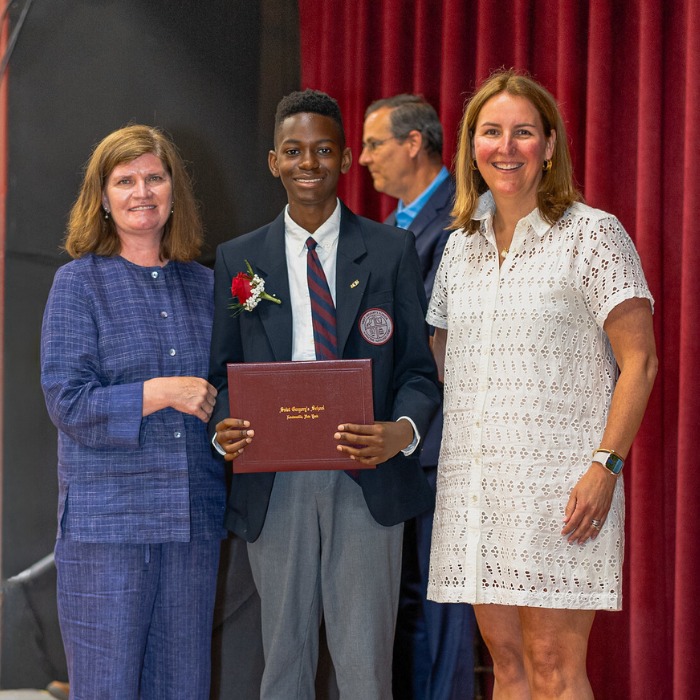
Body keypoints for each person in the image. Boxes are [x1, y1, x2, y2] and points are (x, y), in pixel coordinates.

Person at [427, 69, 658, 698]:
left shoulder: (593, 234)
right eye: (491, 132)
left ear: (549, 146)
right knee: (507, 666)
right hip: (478, 491)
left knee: (555, 666)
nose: (506, 147)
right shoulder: (459, 245)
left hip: (563, 492)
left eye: (523, 132)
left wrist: (604, 465)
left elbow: (639, 362)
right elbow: (441, 361)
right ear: (471, 146)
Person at [209, 88, 441, 700]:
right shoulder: (239, 259)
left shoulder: (391, 252)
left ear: (342, 160)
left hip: (366, 477)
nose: (307, 163)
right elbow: (220, 376)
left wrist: (402, 432)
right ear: (273, 162)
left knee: (365, 667)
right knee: (283, 663)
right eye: (294, 150)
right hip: (275, 477)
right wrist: (224, 426)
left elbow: (419, 371)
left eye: (323, 150)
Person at [40, 125, 226, 699]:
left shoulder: (209, 287)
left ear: (174, 190)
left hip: (192, 523)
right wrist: (163, 392)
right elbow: (67, 401)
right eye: (125, 180)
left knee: (184, 687)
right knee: (107, 688)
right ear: (102, 196)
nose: (141, 191)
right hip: (107, 527)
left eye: (154, 177)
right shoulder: (77, 284)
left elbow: (227, 398)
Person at [360, 94, 475, 700]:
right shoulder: (387, 229)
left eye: (375, 143)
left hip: (444, 445)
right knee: (401, 602)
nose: (365, 160)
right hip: (394, 447)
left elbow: (432, 335)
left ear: (414, 143)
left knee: (442, 601)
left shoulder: (465, 219)